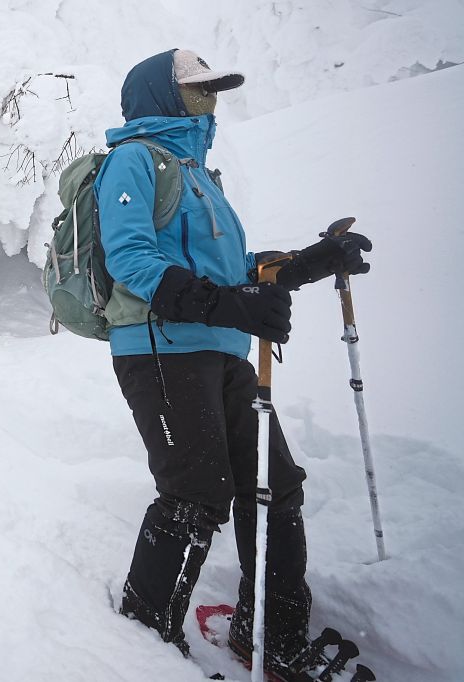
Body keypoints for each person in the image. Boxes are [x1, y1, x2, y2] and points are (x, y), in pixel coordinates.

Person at [94, 49, 373, 676]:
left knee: (275, 489)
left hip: (220, 351)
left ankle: (271, 635)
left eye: (215, 89)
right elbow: (130, 260)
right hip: (161, 349)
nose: (210, 99)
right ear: (161, 97)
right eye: (198, 89)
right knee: (195, 493)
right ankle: (144, 642)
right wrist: (226, 303)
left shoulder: (198, 175)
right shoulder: (133, 160)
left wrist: (311, 261)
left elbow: (231, 276)